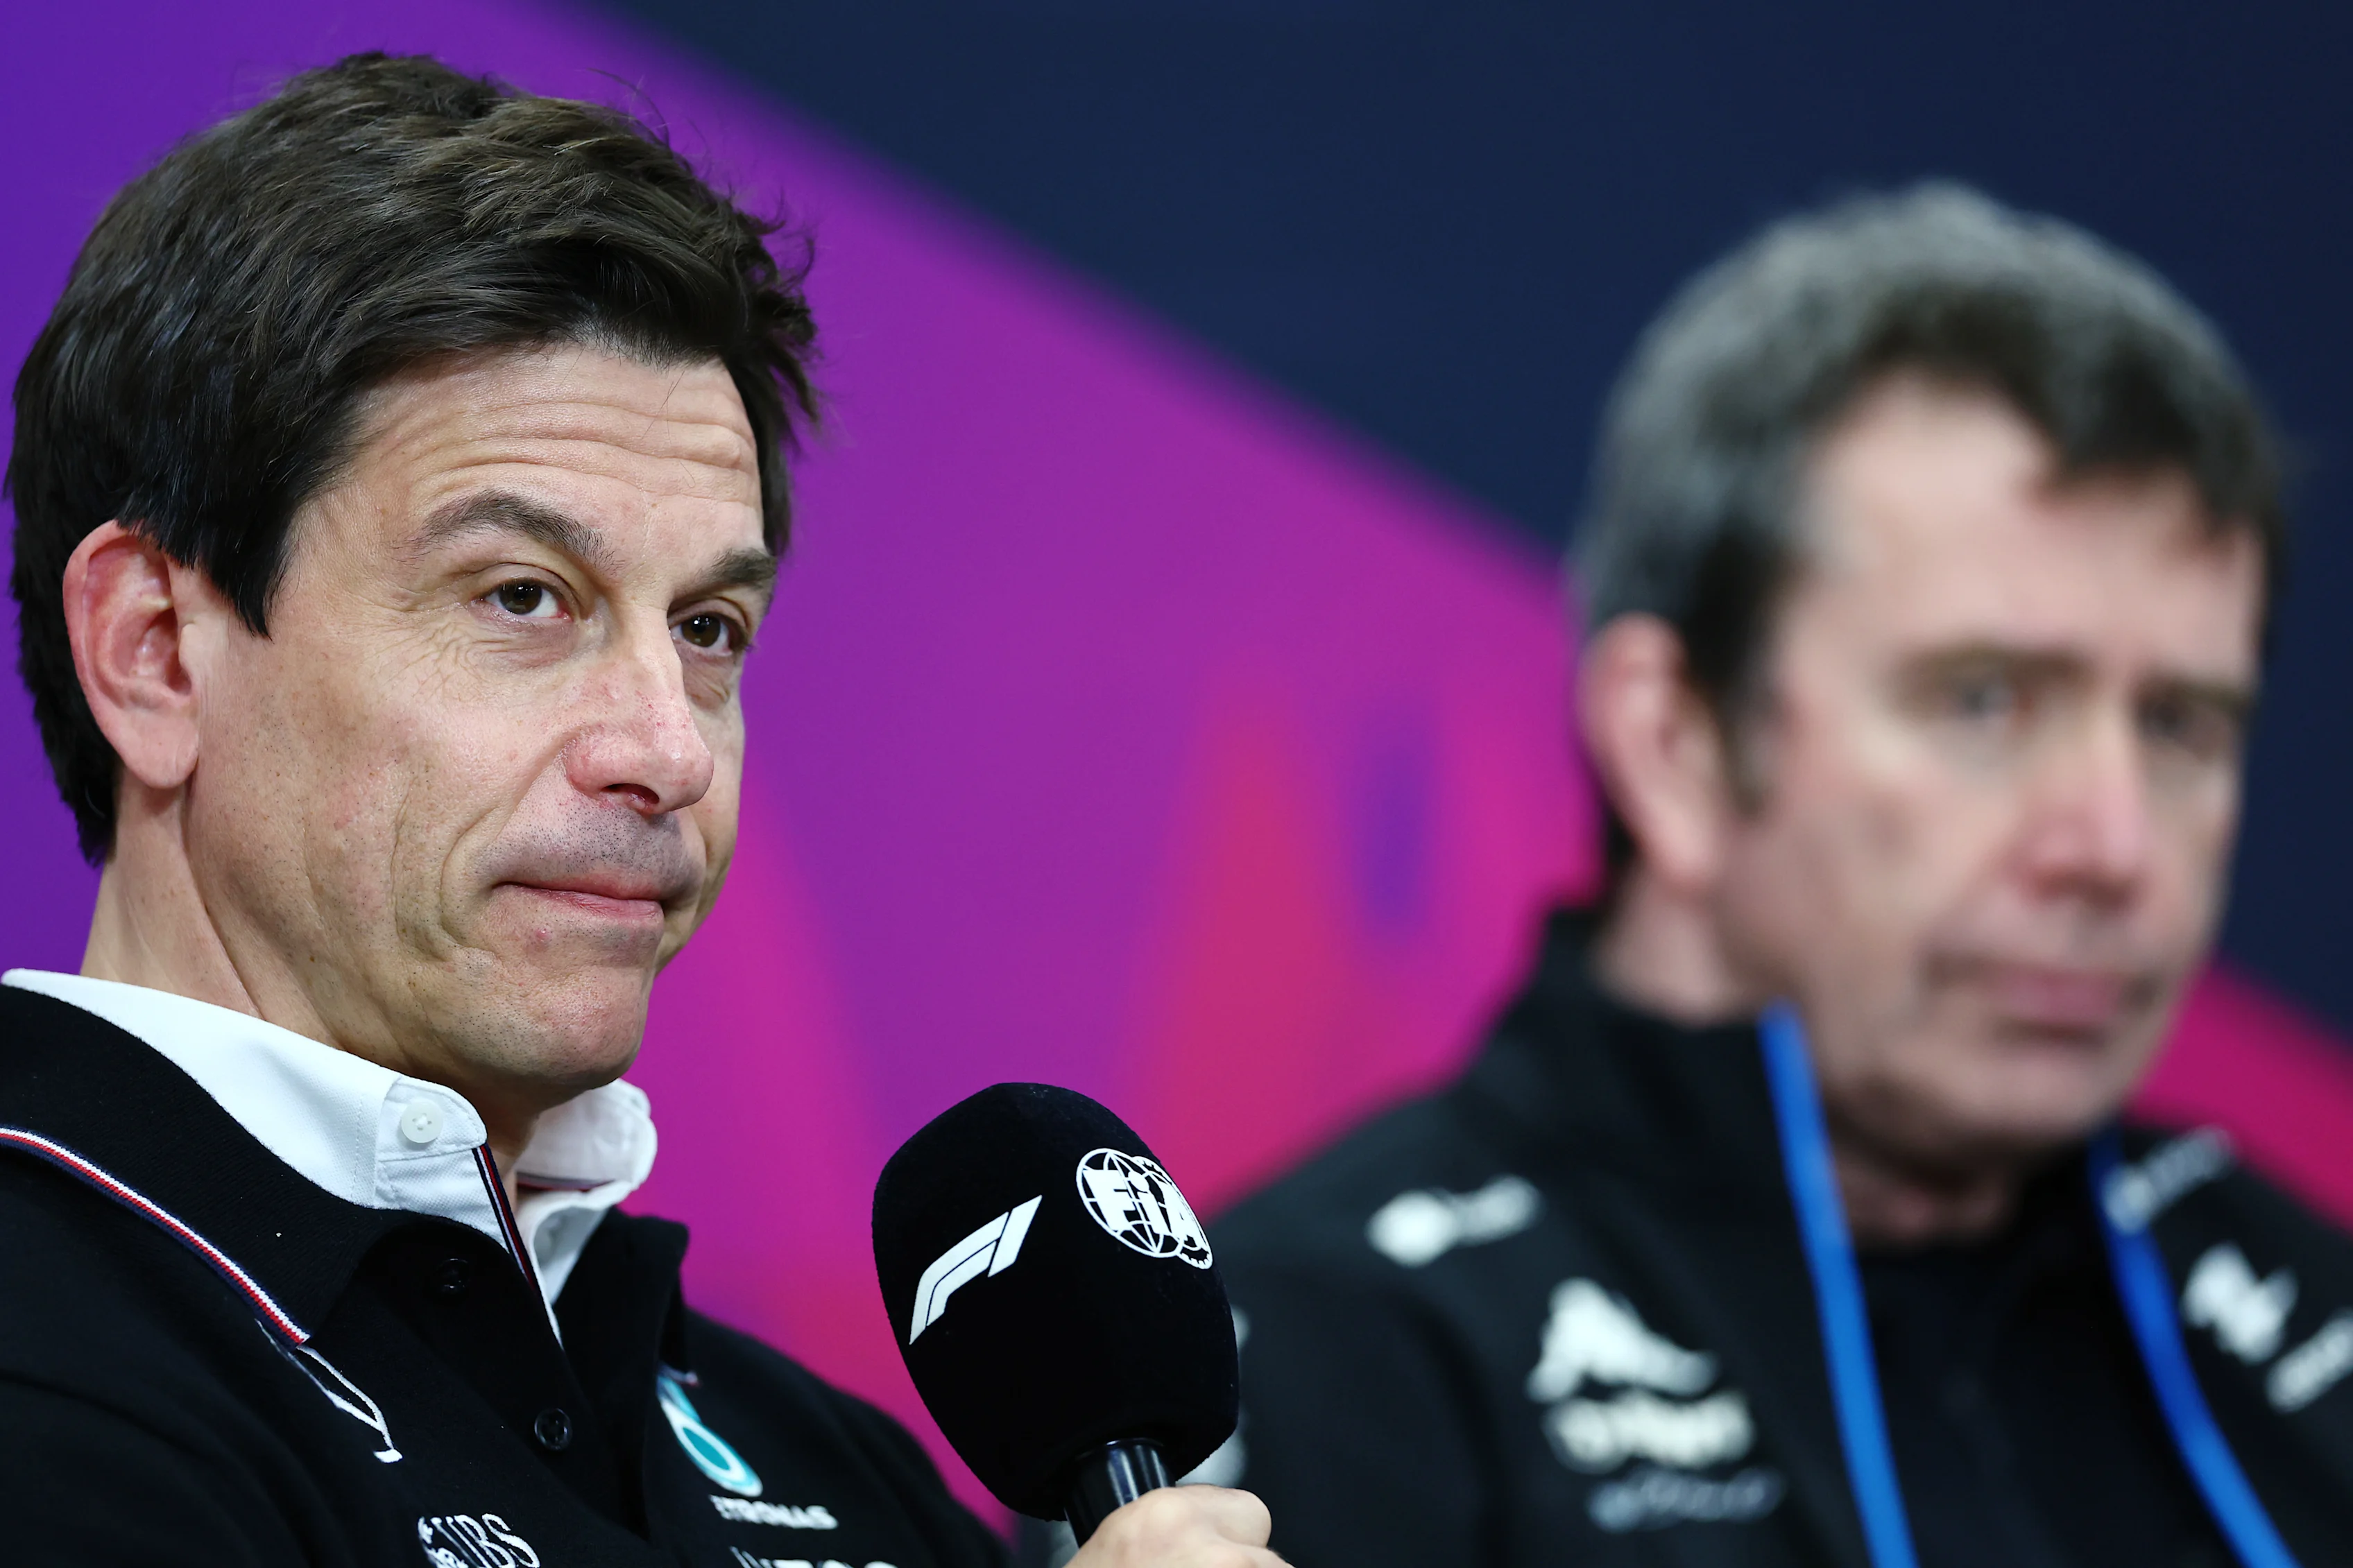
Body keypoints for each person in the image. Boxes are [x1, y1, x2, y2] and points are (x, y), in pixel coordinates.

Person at [0, 53, 1277, 1568]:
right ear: (154, 651)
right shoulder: (46, 1372)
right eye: (524, 596)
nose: (667, 747)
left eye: (708, 627)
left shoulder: (829, 1463)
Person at [1209, 185, 2353, 1566]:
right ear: (1674, 744)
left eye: (2180, 724)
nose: (2112, 843)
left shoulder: (2296, 1307)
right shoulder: (1324, 1359)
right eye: (1982, 700)